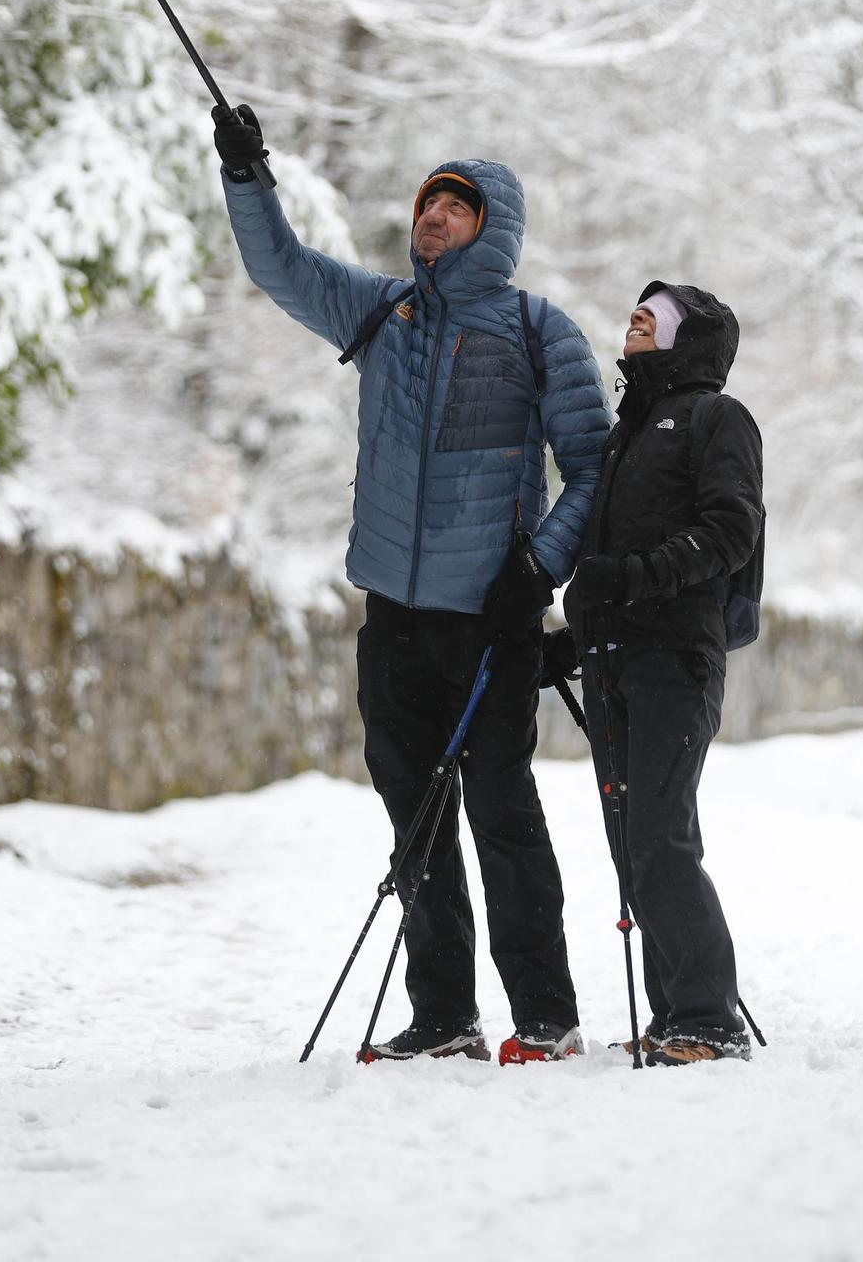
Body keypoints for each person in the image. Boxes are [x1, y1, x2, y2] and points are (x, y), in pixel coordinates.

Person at [212, 105, 611, 1063]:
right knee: (414, 820)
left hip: (490, 622)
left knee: (502, 814)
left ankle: (546, 1018)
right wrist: (246, 176)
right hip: (392, 618)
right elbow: (283, 270)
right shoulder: (384, 314)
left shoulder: (536, 329)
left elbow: (595, 469)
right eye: (427, 202)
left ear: (493, 229)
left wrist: (539, 568)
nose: (432, 217)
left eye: (455, 207)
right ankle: (444, 1018)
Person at [562, 281, 763, 1065]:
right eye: (638, 311)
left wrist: (632, 577)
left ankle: (710, 1020)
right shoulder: (628, 432)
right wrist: (575, 639)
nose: (639, 317)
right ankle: (674, 1014)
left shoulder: (718, 418)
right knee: (632, 841)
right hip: (613, 660)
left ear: (694, 336)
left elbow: (730, 530)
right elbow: (606, 566)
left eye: (660, 313)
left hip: (677, 655)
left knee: (659, 836)